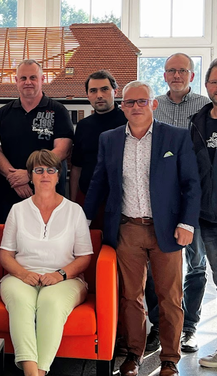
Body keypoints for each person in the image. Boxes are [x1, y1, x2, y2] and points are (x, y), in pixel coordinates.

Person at [84, 81, 201, 376]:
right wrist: (83, 221)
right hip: (127, 229)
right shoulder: (109, 139)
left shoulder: (176, 137)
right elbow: (99, 182)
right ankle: (134, 354)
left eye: (141, 101)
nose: (135, 107)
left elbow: (191, 184)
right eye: (129, 102)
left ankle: (169, 359)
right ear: (122, 106)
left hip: (168, 229)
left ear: (153, 104)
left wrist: (187, 223)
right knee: (131, 297)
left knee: (170, 297)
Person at [0, 149, 93, 376]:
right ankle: (34, 374)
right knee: (20, 302)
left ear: (59, 176)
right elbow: (5, 255)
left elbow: (84, 257)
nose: (45, 175)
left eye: (51, 170)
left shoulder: (74, 211)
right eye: (38, 170)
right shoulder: (18, 210)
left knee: (50, 303)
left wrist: (60, 274)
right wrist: (22, 274)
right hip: (20, 276)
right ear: (30, 175)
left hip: (65, 278)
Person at [145, 53, 212, 353]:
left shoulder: (204, 107)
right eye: (171, 70)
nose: (176, 75)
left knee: (195, 264)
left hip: (193, 195)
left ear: (192, 76)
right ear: (163, 75)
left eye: (182, 70)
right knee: (158, 263)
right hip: (160, 196)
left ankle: (189, 327)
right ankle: (161, 325)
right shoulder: (153, 105)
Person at [0, 59, 74, 223]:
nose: (28, 82)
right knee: (11, 244)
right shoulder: (2, 114)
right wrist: (15, 179)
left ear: (42, 80)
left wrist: (30, 175)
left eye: (33, 78)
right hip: (10, 194)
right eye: (23, 78)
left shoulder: (58, 111)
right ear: (16, 81)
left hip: (49, 195)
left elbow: (63, 150)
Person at [190, 58, 217, 368]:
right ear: (207, 84)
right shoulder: (197, 122)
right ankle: (191, 331)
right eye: (214, 82)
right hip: (203, 215)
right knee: (199, 273)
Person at [70, 70, 127, 211]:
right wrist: (72, 203)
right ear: (88, 95)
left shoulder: (128, 122)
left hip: (123, 201)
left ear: (116, 92)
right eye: (93, 91)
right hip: (87, 197)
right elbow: (76, 167)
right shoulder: (83, 126)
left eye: (104, 89)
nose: (99, 95)